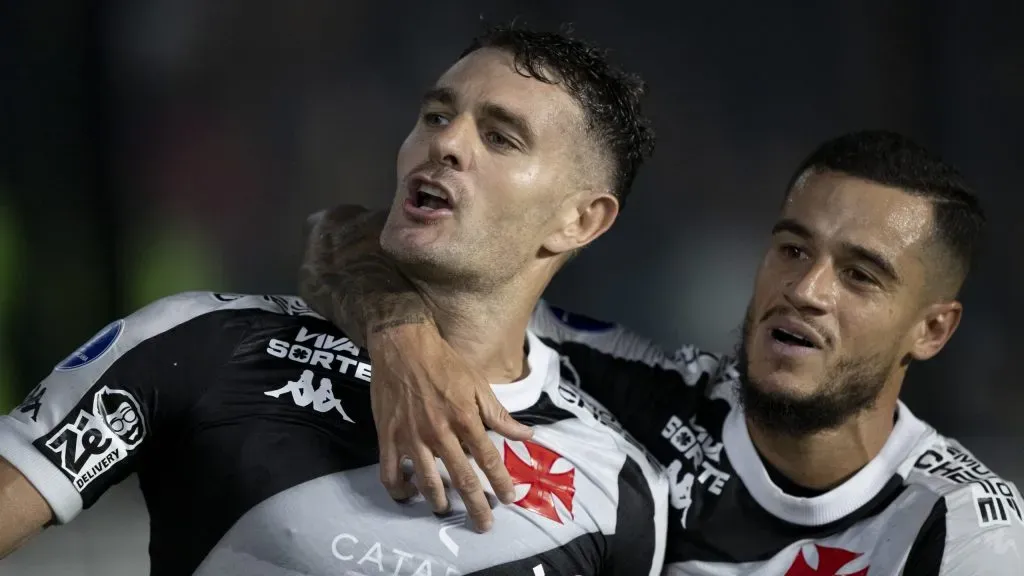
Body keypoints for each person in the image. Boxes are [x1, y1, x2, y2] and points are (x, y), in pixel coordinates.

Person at [0, 24, 668, 576]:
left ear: (580, 220)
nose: (446, 142)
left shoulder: (620, 486)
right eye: (437, 115)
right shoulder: (200, 342)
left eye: (500, 137)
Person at [300, 130, 1024, 574]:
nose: (807, 290)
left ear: (932, 330)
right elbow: (347, 235)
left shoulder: (960, 527)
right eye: (792, 249)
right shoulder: (636, 391)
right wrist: (403, 338)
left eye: (861, 276)